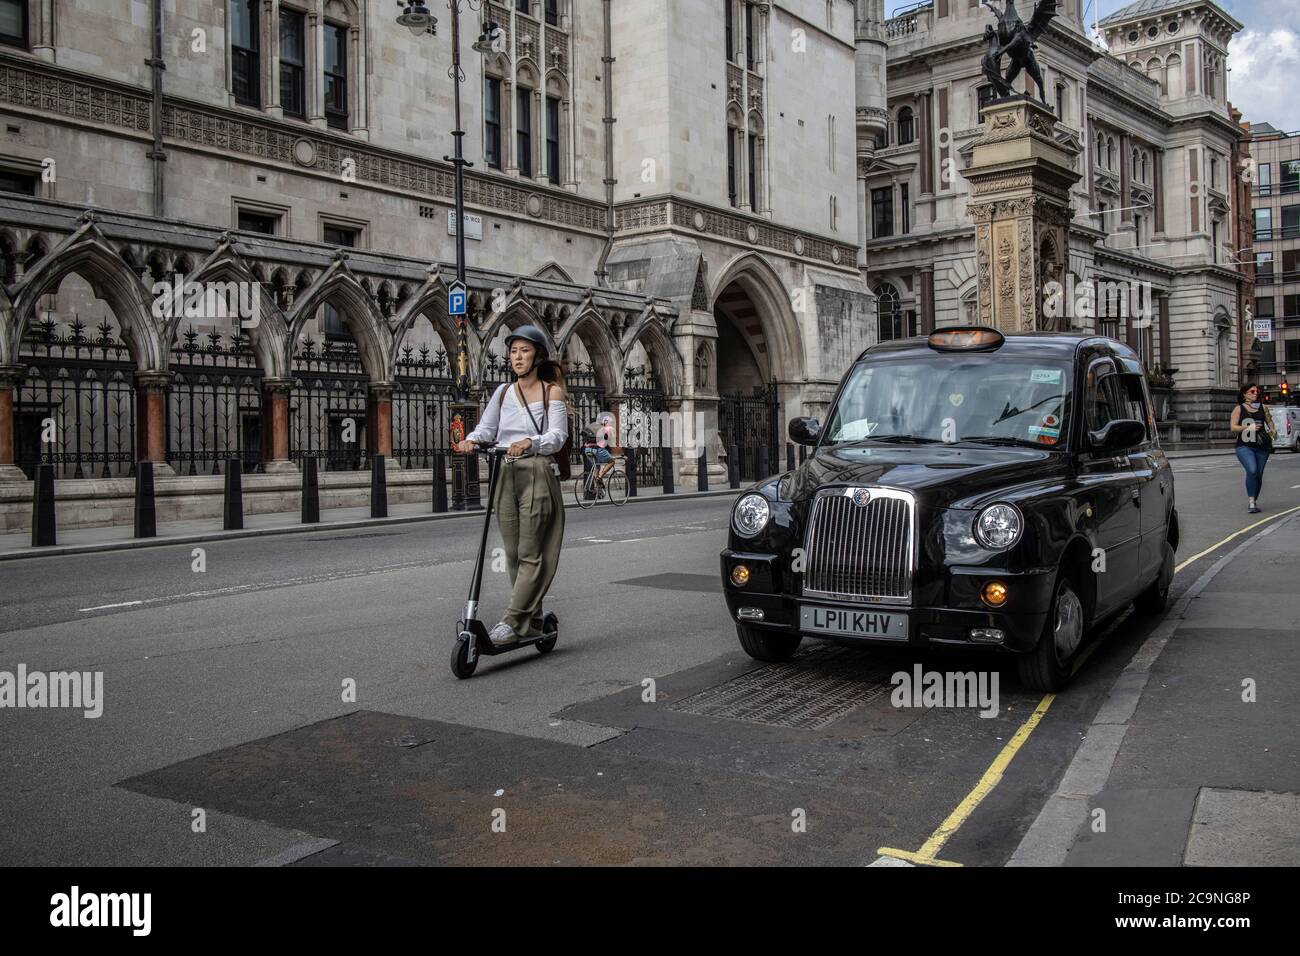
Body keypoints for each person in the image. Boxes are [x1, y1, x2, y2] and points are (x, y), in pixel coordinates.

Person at [455, 325, 568, 645]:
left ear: (538, 356)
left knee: (532, 551)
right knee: (514, 552)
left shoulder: (551, 393)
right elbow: (486, 429)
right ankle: (531, 620)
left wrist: (529, 442)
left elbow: (558, 437)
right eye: (513, 351)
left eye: (525, 351)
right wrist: (471, 440)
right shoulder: (503, 392)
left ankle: (511, 621)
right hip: (504, 471)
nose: (517, 357)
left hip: (536, 471)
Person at [1230, 383, 1275, 514]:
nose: (1256, 393)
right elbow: (1233, 427)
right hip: (1245, 446)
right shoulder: (1238, 409)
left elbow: (1269, 421)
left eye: (1257, 391)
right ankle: (1251, 502)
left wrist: (1272, 429)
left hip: (1263, 446)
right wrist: (1247, 428)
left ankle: (1254, 501)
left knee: (1259, 474)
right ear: (1244, 393)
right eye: (1252, 391)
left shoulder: (1264, 407)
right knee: (1252, 470)